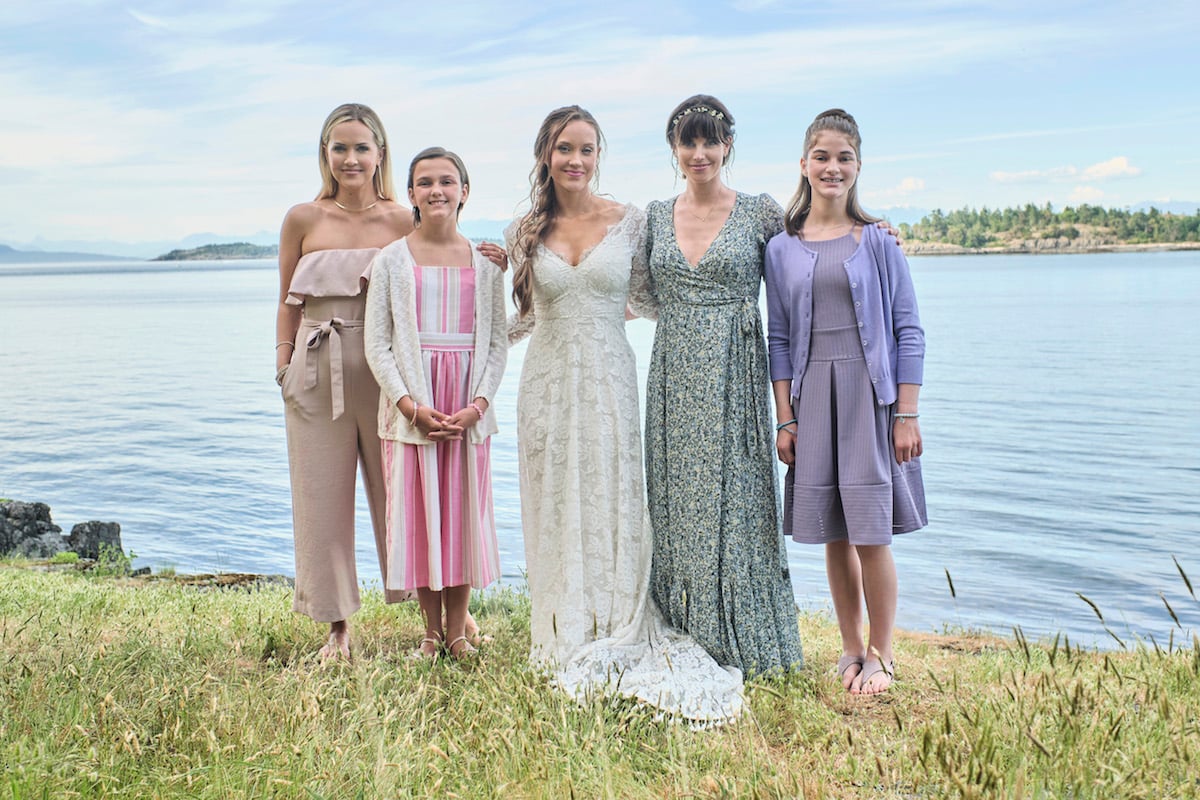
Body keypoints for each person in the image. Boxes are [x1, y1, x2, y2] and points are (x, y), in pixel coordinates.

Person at [505, 105, 742, 722]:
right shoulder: (522, 231)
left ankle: (615, 619)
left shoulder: (632, 222)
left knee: (613, 498)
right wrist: (456, 341)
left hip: (610, 379)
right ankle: (562, 626)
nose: (575, 160)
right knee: (556, 503)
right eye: (564, 149)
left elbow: (657, 295)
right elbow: (524, 317)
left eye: (586, 149)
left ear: (598, 155)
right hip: (548, 384)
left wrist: (720, 335)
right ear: (545, 156)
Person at [276, 104, 491, 660]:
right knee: (321, 500)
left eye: (361, 147)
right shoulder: (302, 218)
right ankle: (338, 627)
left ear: (380, 154)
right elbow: (285, 301)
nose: (350, 158)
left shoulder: (402, 217)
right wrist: (283, 364)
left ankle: (453, 616)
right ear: (325, 153)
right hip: (315, 368)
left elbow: (444, 261)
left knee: (406, 492)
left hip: (389, 373)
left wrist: (497, 256)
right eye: (339, 147)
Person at [765, 109, 926, 695]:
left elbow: (909, 330)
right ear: (804, 165)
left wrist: (906, 412)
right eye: (822, 157)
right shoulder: (781, 247)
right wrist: (786, 416)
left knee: (871, 531)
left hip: (872, 398)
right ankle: (851, 648)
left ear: (858, 166)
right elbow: (777, 338)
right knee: (835, 532)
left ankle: (883, 655)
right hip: (814, 400)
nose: (833, 168)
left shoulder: (879, 241)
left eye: (844, 158)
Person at [643, 95, 805, 676]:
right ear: (674, 149)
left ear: (727, 146)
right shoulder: (656, 216)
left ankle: (743, 634)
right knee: (675, 504)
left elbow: (813, 251)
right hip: (673, 371)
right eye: (689, 141)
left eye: (710, 141)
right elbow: (623, 284)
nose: (700, 152)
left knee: (737, 503)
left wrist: (871, 229)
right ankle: (681, 623)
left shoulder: (761, 212)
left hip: (736, 373)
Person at [364, 147, 506, 660]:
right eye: (425, 183)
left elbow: (496, 344)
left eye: (448, 181)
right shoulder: (392, 260)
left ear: (465, 191)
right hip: (416, 408)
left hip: (466, 405)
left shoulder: (488, 265)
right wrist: (408, 406)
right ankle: (429, 632)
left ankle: (458, 632)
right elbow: (377, 343)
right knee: (420, 516)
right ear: (411, 194)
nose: (437, 191)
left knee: (463, 514)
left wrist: (479, 405)